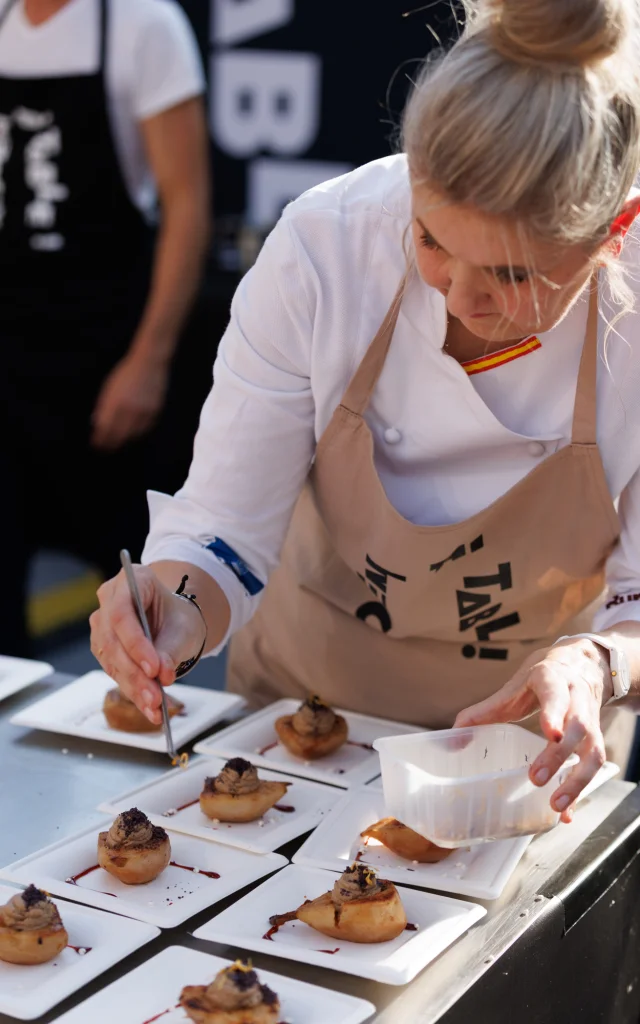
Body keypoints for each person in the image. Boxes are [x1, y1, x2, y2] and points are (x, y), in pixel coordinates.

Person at [91, 0, 640, 821]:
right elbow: (223, 525)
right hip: (300, 724)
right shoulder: (327, 247)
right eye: (430, 240)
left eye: (513, 276)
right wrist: (173, 608)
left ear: (614, 235)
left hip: (523, 761)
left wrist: (600, 660)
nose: (457, 297)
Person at [0, 0, 211, 656]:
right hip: (9, 348)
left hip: (109, 351)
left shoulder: (143, 25)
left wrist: (148, 360)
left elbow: (187, 204)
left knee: (135, 596)